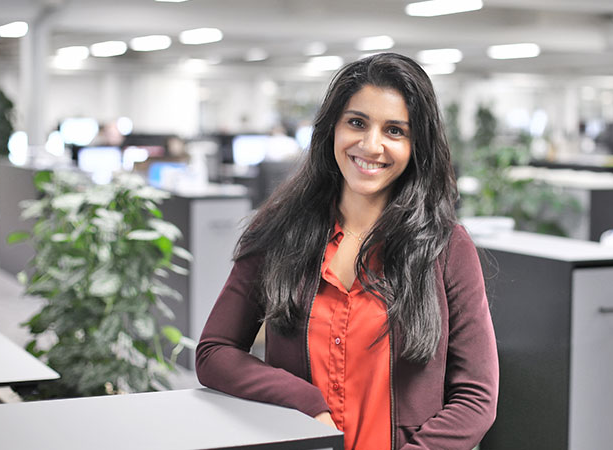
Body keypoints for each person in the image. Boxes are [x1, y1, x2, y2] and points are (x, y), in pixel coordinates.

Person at [196, 52, 499, 450]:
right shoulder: (278, 232)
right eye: (357, 123)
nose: (371, 145)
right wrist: (302, 400)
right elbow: (214, 352)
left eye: (395, 131)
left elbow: (477, 398)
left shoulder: (445, 247)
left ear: (416, 146)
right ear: (332, 129)